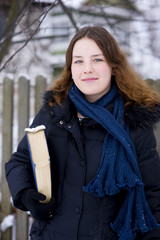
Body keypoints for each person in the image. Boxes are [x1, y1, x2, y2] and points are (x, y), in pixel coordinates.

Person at [5, 26, 160, 240]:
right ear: (71, 68)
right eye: (79, 61)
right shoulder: (54, 111)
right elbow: (20, 160)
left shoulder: (134, 122)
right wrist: (25, 193)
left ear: (113, 66)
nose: (87, 68)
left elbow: (152, 196)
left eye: (97, 59)